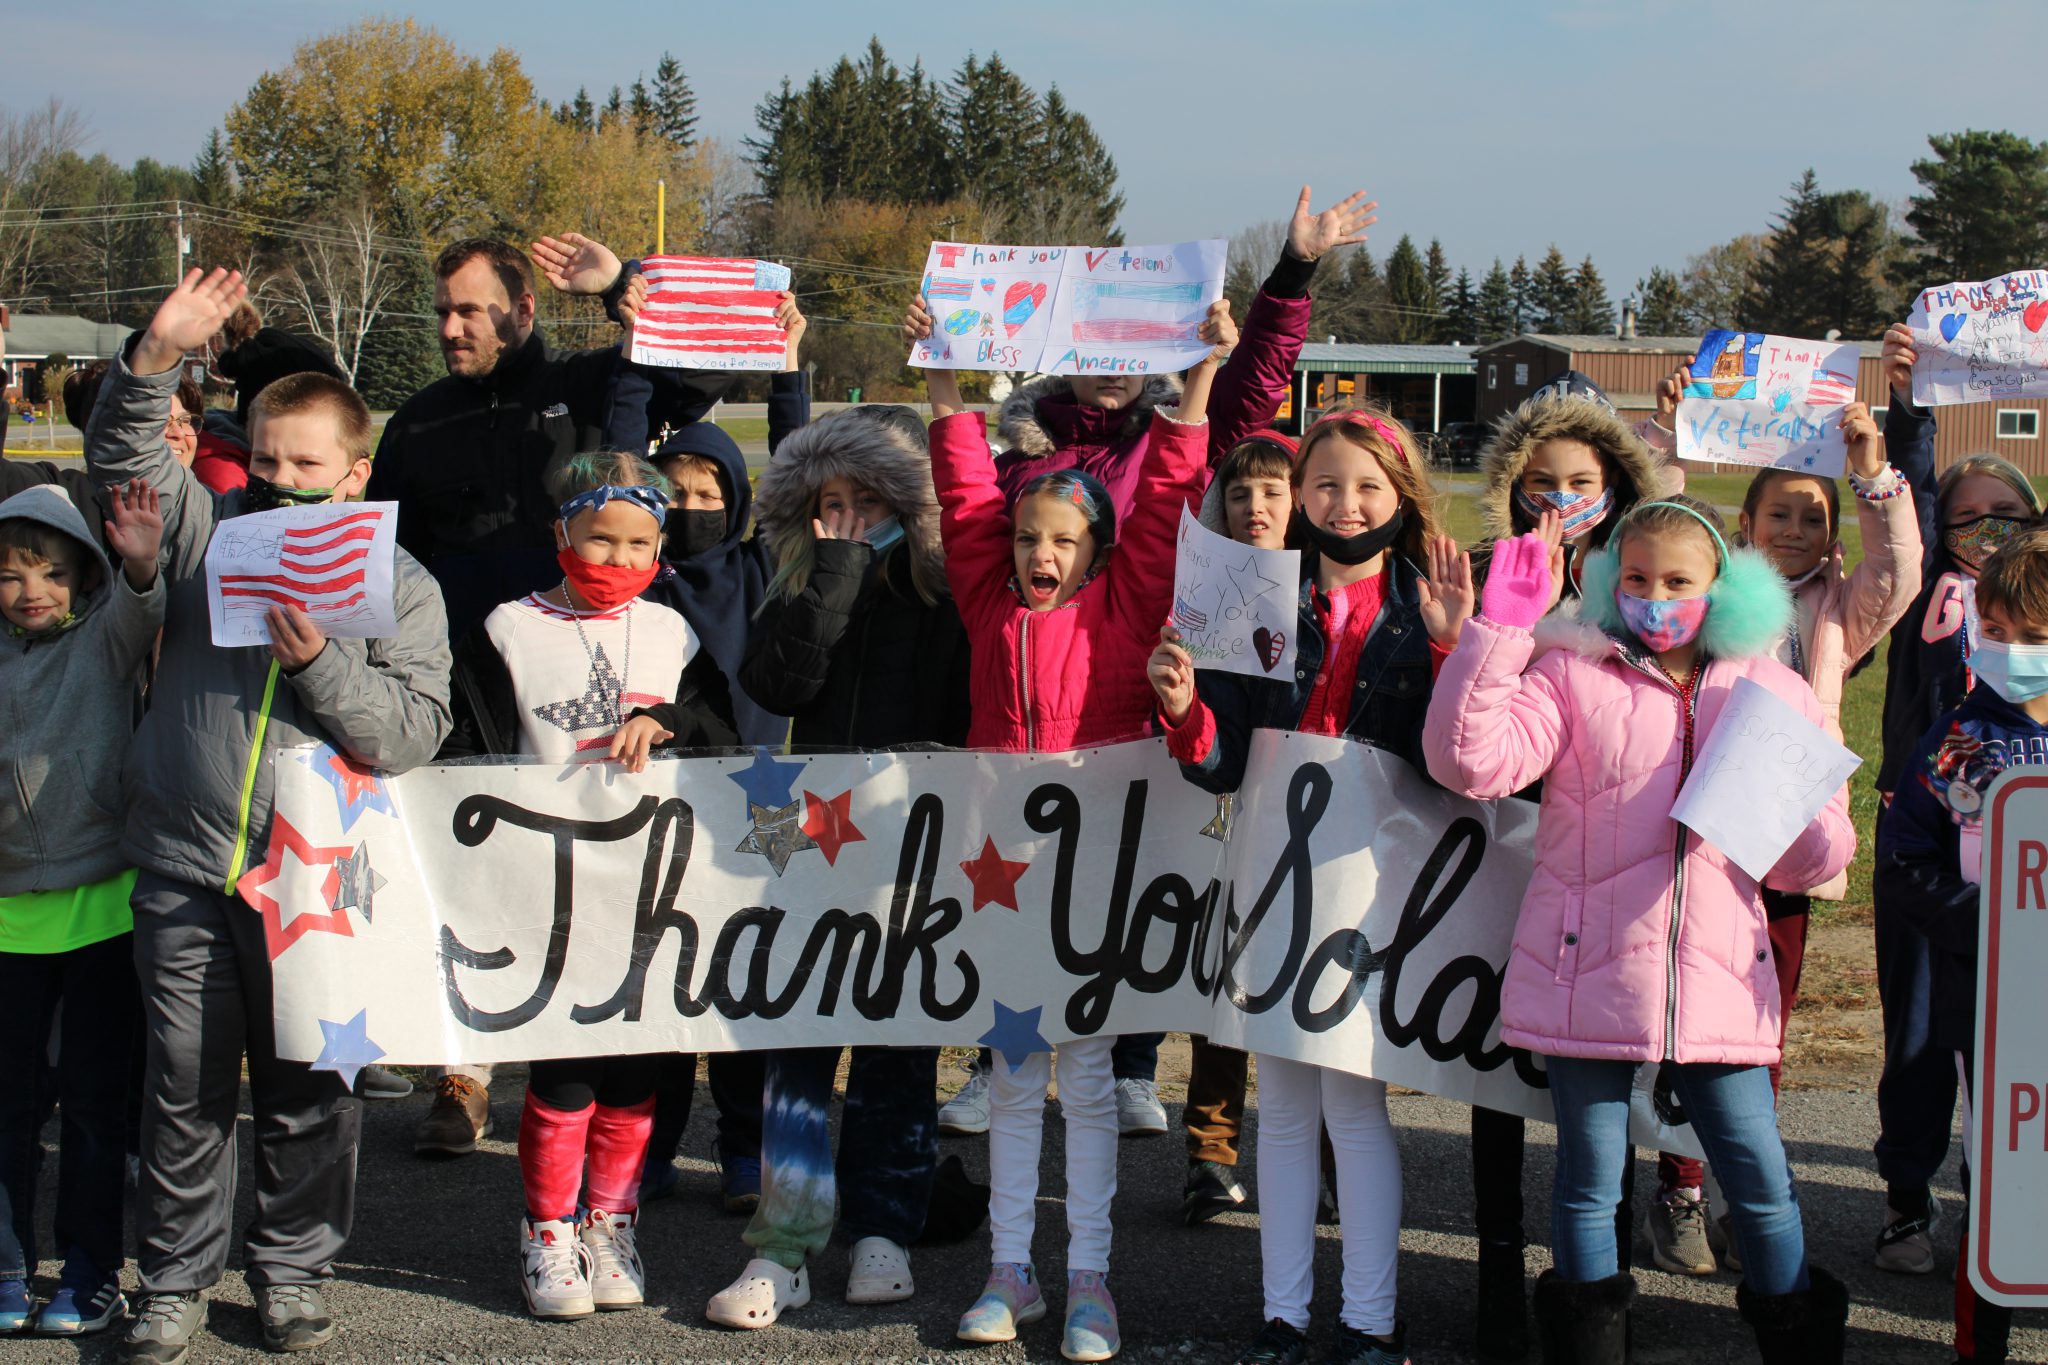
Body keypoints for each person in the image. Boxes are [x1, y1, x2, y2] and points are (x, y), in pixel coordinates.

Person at [85, 268, 453, 1363]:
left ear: (355, 469)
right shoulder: (206, 530)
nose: (286, 481)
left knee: (308, 1096)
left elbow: (408, 733)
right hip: (186, 863)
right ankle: (175, 1279)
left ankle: (292, 1270)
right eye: (269, 457)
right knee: (186, 1090)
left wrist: (322, 663)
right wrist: (154, 355)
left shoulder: (401, 580)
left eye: (308, 463)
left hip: (318, 882)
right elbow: (122, 459)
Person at [1423, 497, 1856, 1361]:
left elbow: (1819, 857)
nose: (1656, 598)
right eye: (1637, 578)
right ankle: (1589, 1348)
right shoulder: (1569, 672)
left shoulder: (1770, 690)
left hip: (1719, 977)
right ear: (1610, 581)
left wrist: (1796, 822)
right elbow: (1470, 763)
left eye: (1679, 581)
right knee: (1588, 1181)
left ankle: (1797, 1341)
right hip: (1589, 967)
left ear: (1720, 588)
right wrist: (1501, 632)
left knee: (1760, 1179)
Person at [367, 232, 734, 1160]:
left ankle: (582, 1073)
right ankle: (465, 1070)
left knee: (579, 894)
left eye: (470, 310)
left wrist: (620, 290)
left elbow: (687, 382)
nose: (450, 326)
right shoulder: (416, 421)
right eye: (443, 309)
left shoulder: (579, 387)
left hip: (581, 699)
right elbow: (379, 551)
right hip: (462, 691)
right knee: (471, 885)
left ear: (521, 312)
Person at [908, 294, 1225, 1362]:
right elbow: (960, 496)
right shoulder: (989, 603)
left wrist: (1200, 381)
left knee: (1086, 1081)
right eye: (1028, 538)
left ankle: (1088, 1279)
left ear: (1097, 550)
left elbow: (1174, 485)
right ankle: (1010, 1273)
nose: (1042, 554)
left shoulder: (1127, 610)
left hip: (1099, 873)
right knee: (1008, 1077)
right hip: (1000, 875)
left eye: (1063, 540)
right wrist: (943, 379)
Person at [1150, 404, 1456, 1365]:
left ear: (1400, 493)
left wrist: (1456, 651)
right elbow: (1224, 762)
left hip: (1373, 890)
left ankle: (1372, 1322)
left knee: (1353, 1109)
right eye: (1325, 483)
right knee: (1279, 1108)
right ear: (1300, 496)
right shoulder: (1256, 603)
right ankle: (1283, 1316)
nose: (1345, 503)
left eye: (1368, 485)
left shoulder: (1427, 608)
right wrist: (1186, 708)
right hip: (1268, 887)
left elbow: (1459, 765)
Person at [440, 448, 736, 1319]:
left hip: (647, 893)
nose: (619, 561)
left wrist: (667, 718)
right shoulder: (504, 629)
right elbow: (468, 755)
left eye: (640, 543)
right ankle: (547, 1228)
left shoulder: (672, 631)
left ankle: (611, 1220)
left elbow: (720, 732)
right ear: (561, 531)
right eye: (600, 539)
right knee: (564, 1070)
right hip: (546, 890)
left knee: (634, 1073)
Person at [698, 404, 968, 1329]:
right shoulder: (798, 582)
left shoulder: (941, 597)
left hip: (907, 849)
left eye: (867, 499)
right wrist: (837, 573)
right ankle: (786, 1239)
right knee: (799, 1040)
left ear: (905, 502)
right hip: (806, 846)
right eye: (829, 501)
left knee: (899, 1044)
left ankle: (886, 1224)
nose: (845, 517)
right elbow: (778, 686)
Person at [1643, 403, 1921, 1277]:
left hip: (1785, 846)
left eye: (1813, 517)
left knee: (1757, 1028)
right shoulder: (1707, 592)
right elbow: (1658, 542)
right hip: (1692, 838)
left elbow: (1900, 566)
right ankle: (1679, 1187)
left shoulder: (1839, 613)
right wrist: (1672, 451)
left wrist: (1873, 473)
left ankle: (1736, 1189)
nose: (1796, 528)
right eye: (1779, 514)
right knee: (1679, 1023)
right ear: (1744, 525)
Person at [1457, 377, 1674, 1356]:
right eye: (1538, 482)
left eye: (1577, 480)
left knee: (1597, 1100)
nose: (1557, 499)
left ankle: (1602, 1296)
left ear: (1611, 482)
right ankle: (1499, 1285)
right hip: (1500, 844)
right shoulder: (1484, 566)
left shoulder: (1640, 580)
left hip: (1609, 860)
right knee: (1494, 1079)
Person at [1869, 325, 2042, 1276]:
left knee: (2022, 1050)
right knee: (1926, 1034)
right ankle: (1906, 1196)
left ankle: (2007, 1192)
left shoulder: (2041, 609)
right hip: (1934, 846)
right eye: (1969, 517)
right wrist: (1913, 402)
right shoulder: (1926, 585)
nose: (1988, 533)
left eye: (2009, 515)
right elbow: (1913, 488)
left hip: (2031, 865)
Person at [1877, 526, 2048, 1365]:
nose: (2014, 651)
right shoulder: (1956, 742)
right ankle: (1982, 1344)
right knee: (2002, 1180)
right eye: (2001, 632)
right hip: (1987, 1002)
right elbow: (1905, 857)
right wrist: (1980, 923)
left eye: (2036, 637)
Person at [0, 480, 164, 1337]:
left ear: (85, 579)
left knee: (98, 1112)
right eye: (12, 575)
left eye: (56, 574)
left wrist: (138, 560)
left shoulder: (105, 639)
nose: (34, 592)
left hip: (101, 907)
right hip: (4, 918)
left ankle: (90, 1272)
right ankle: (5, 1266)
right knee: (8, 1109)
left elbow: (143, 606)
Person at [989, 187, 1371, 518]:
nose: (1114, 372)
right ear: (1066, 359)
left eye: (1131, 354)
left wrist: (1294, 271)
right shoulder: (1012, 467)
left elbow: (1255, 383)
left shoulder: (1182, 432)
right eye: (1098, 355)